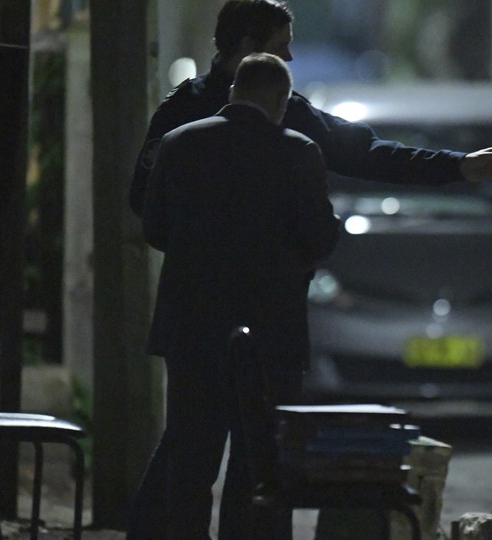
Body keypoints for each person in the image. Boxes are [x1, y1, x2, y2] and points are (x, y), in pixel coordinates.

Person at [130, 52, 340, 539]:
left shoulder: (179, 144)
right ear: (281, 101)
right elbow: (321, 239)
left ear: (233, 93)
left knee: (190, 460)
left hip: (190, 327)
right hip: (273, 333)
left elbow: (156, 227)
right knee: (261, 466)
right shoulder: (299, 152)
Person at [130, 0, 492, 219]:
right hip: (218, 305)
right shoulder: (184, 112)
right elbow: (144, 201)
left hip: (238, 305)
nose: (290, 56)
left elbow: (366, 154)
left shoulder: (288, 111)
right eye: (281, 45)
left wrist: (455, 165)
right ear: (248, 46)